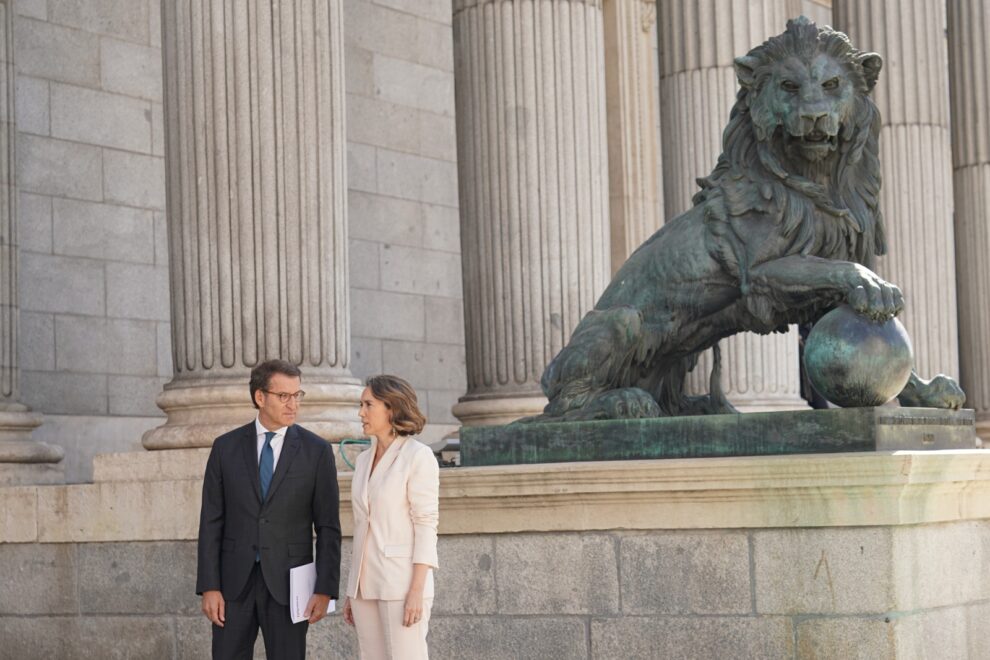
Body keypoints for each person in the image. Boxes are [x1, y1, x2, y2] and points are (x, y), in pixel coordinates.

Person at [196, 359, 341, 660]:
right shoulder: (225, 448)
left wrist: (325, 589)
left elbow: (328, 526)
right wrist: (209, 586)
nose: (293, 405)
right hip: (233, 585)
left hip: (290, 587)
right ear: (260, 397)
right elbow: (211, 521)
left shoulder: (317, 452)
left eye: (297, 395)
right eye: (283, 396)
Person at [342, 375, 440, 660]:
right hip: (364, 585)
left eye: (368, 404)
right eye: (361, 404)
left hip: (402, 584)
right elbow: (362, 527)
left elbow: (425, 525)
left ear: (391, 407)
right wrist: (353, 589)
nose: (361, 412)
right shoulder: (362, 460)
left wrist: (416, 592)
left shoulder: (417, 457)